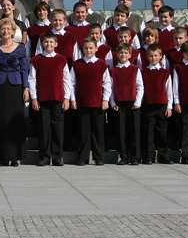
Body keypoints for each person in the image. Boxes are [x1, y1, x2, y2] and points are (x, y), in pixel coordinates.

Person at [0, 17, 30, 166]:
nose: (5, 31)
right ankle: (3, 156)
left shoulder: (20, 47)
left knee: (15, 121)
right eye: (3, 29)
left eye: (8, 29)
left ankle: (15, 157)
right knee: (1, 121)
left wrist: (26, 88)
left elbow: (24, 69)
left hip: (15, 87)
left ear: (13, 32)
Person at [29, 32, 72, 166]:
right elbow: (32, 80)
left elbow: (67, 80)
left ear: (56, 44)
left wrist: (67, 98)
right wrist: (34, 98)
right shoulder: (36, 60)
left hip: (58, 98)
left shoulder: (61, 59)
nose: (48, 44)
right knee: (44, 128)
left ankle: (57, 156)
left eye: (51, 42)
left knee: (57, 128)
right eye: (46, 42)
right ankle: (44, 156)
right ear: (42, 43)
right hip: (42, 98)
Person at [70, 38, 110, 166]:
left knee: (98, 131)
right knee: (83, 131)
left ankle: (99, 157)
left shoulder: (102, 65)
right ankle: (83, 157)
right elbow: (72, 83)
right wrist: (73, 99)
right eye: (86, 48)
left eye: (91, 48)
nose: (88, 50)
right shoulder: (77, 65)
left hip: (97, 103)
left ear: (96, 49)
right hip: (82, 102)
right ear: (82, 49)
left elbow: (107, 83)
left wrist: (105, 99)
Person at [109, 43, 144, 165]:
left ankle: (135, 156)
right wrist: (112, 102)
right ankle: (123, 156)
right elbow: (111, 88)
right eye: (121, 53)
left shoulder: (135, 69)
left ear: (130, 55)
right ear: (117, 55)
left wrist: (138, 102)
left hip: (133, 104)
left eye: (125, 53)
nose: (123, 55)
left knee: (134, 130)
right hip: (119, 104)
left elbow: (140, 86)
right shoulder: (113, 71)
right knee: (121, 131)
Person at [140, 45, 173, 164]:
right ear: (147, 57)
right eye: (151, 56)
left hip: (161, 105)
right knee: (148, 132)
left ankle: (163, 156)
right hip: (148, 105)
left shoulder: (165, 73)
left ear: (160, 57)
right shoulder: (143, 72)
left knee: (161, 132)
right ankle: (148, 156)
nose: (153, 58)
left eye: (156, 56)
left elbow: (169, 90)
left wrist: (169, 106)